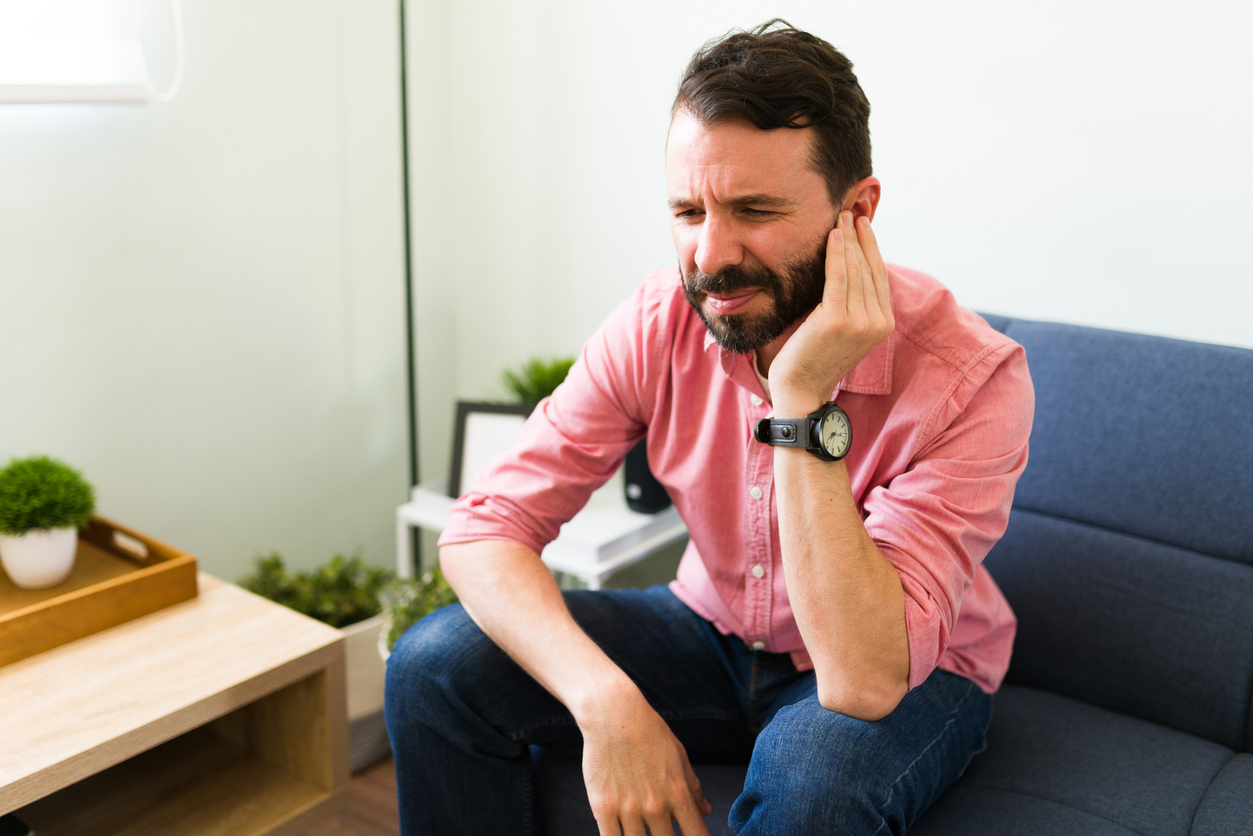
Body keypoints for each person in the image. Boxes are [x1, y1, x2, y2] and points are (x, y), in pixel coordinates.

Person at [385, 20, 1034, 836]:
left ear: (856, 211)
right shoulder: (660, 319)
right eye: (688, 210)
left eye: (754, 210)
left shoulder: (972, 377)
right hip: (712, 626)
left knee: (817, 784)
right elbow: (482, 530)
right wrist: (606, 700)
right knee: (433, 665)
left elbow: (861, 681)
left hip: (905, 666)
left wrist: (799, 398)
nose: (708, 255)